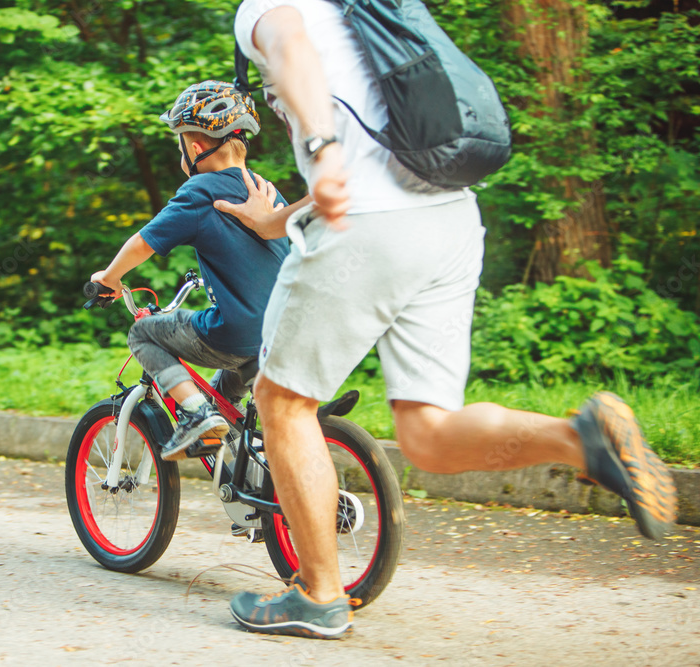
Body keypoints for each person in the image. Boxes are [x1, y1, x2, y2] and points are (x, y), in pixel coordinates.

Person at [219, 0, 678, 640]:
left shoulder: (270, 6)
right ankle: (582, 438)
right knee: (428, 434)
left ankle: (319, 594)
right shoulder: (365, 10)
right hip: (450, 220)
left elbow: (292, 47)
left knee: (283, 401)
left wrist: (321, 155)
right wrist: (297, 202)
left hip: (367, 229)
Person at [90, 80, 289, 461]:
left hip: (237, 332)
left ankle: (195, 415)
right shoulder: (266, 189)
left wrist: (109, 278)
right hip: (281, 331)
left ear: (195, 148)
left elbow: (143, 243)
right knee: (226, 395)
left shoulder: (200, 191)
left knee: (143, 334)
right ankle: (249, 489)